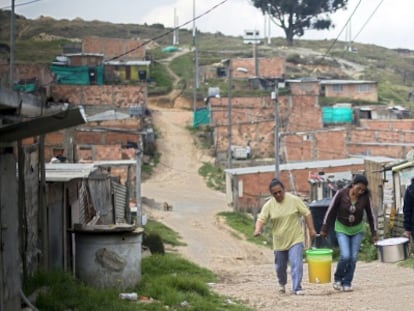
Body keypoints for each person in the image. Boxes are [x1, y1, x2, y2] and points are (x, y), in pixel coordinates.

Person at [253, 178, 317, 295]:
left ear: (284, 189)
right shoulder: (269, 205)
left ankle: (297, 288)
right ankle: (282, 283)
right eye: (275, 193)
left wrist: (311, 230)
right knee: (280, 267)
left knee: (296, 263)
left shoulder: (294, 200)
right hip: (279, 242)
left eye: (280, 192)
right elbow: (261, 219)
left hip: (295, 238)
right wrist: (258, 229)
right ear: (272, 194)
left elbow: (307, 213)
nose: (278, 195)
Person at [320, 174, 377, 292]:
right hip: (342, 229)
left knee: (353, 257)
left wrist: (374, 233)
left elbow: (371, 216)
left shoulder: (365, 198)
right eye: (358, 188)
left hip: (357, 230)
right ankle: (338, 279)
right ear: (353, 185)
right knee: (345, 256)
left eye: (363, 189)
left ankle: (347, 282)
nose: (360, 191)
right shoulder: (341, 194)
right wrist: (324, 229)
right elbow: (330, 211)